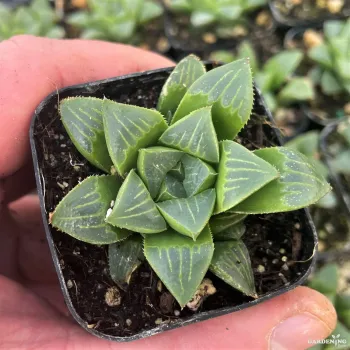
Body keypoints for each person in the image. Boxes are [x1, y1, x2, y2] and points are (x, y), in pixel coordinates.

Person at [0, 35, 336, 350]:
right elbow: (81, 118)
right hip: (132, 209)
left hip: (194, 222)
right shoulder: (129, 197)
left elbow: (220, 82)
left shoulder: (224, 163)